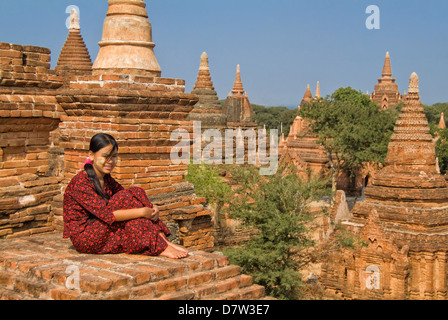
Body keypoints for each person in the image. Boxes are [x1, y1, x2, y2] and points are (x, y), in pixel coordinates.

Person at [63, 133, 189, 259]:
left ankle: (161, 240)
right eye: (106, 156)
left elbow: (132, 198)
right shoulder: (81, 182)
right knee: (130, 206)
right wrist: (142, 212)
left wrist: (153, 207)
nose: (111, 161)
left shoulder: (106, 179)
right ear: (91, 155)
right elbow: (108, 215)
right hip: (86, 237)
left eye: (114, 157)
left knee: (135, 193)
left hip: (100, 228)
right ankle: (160, 244)